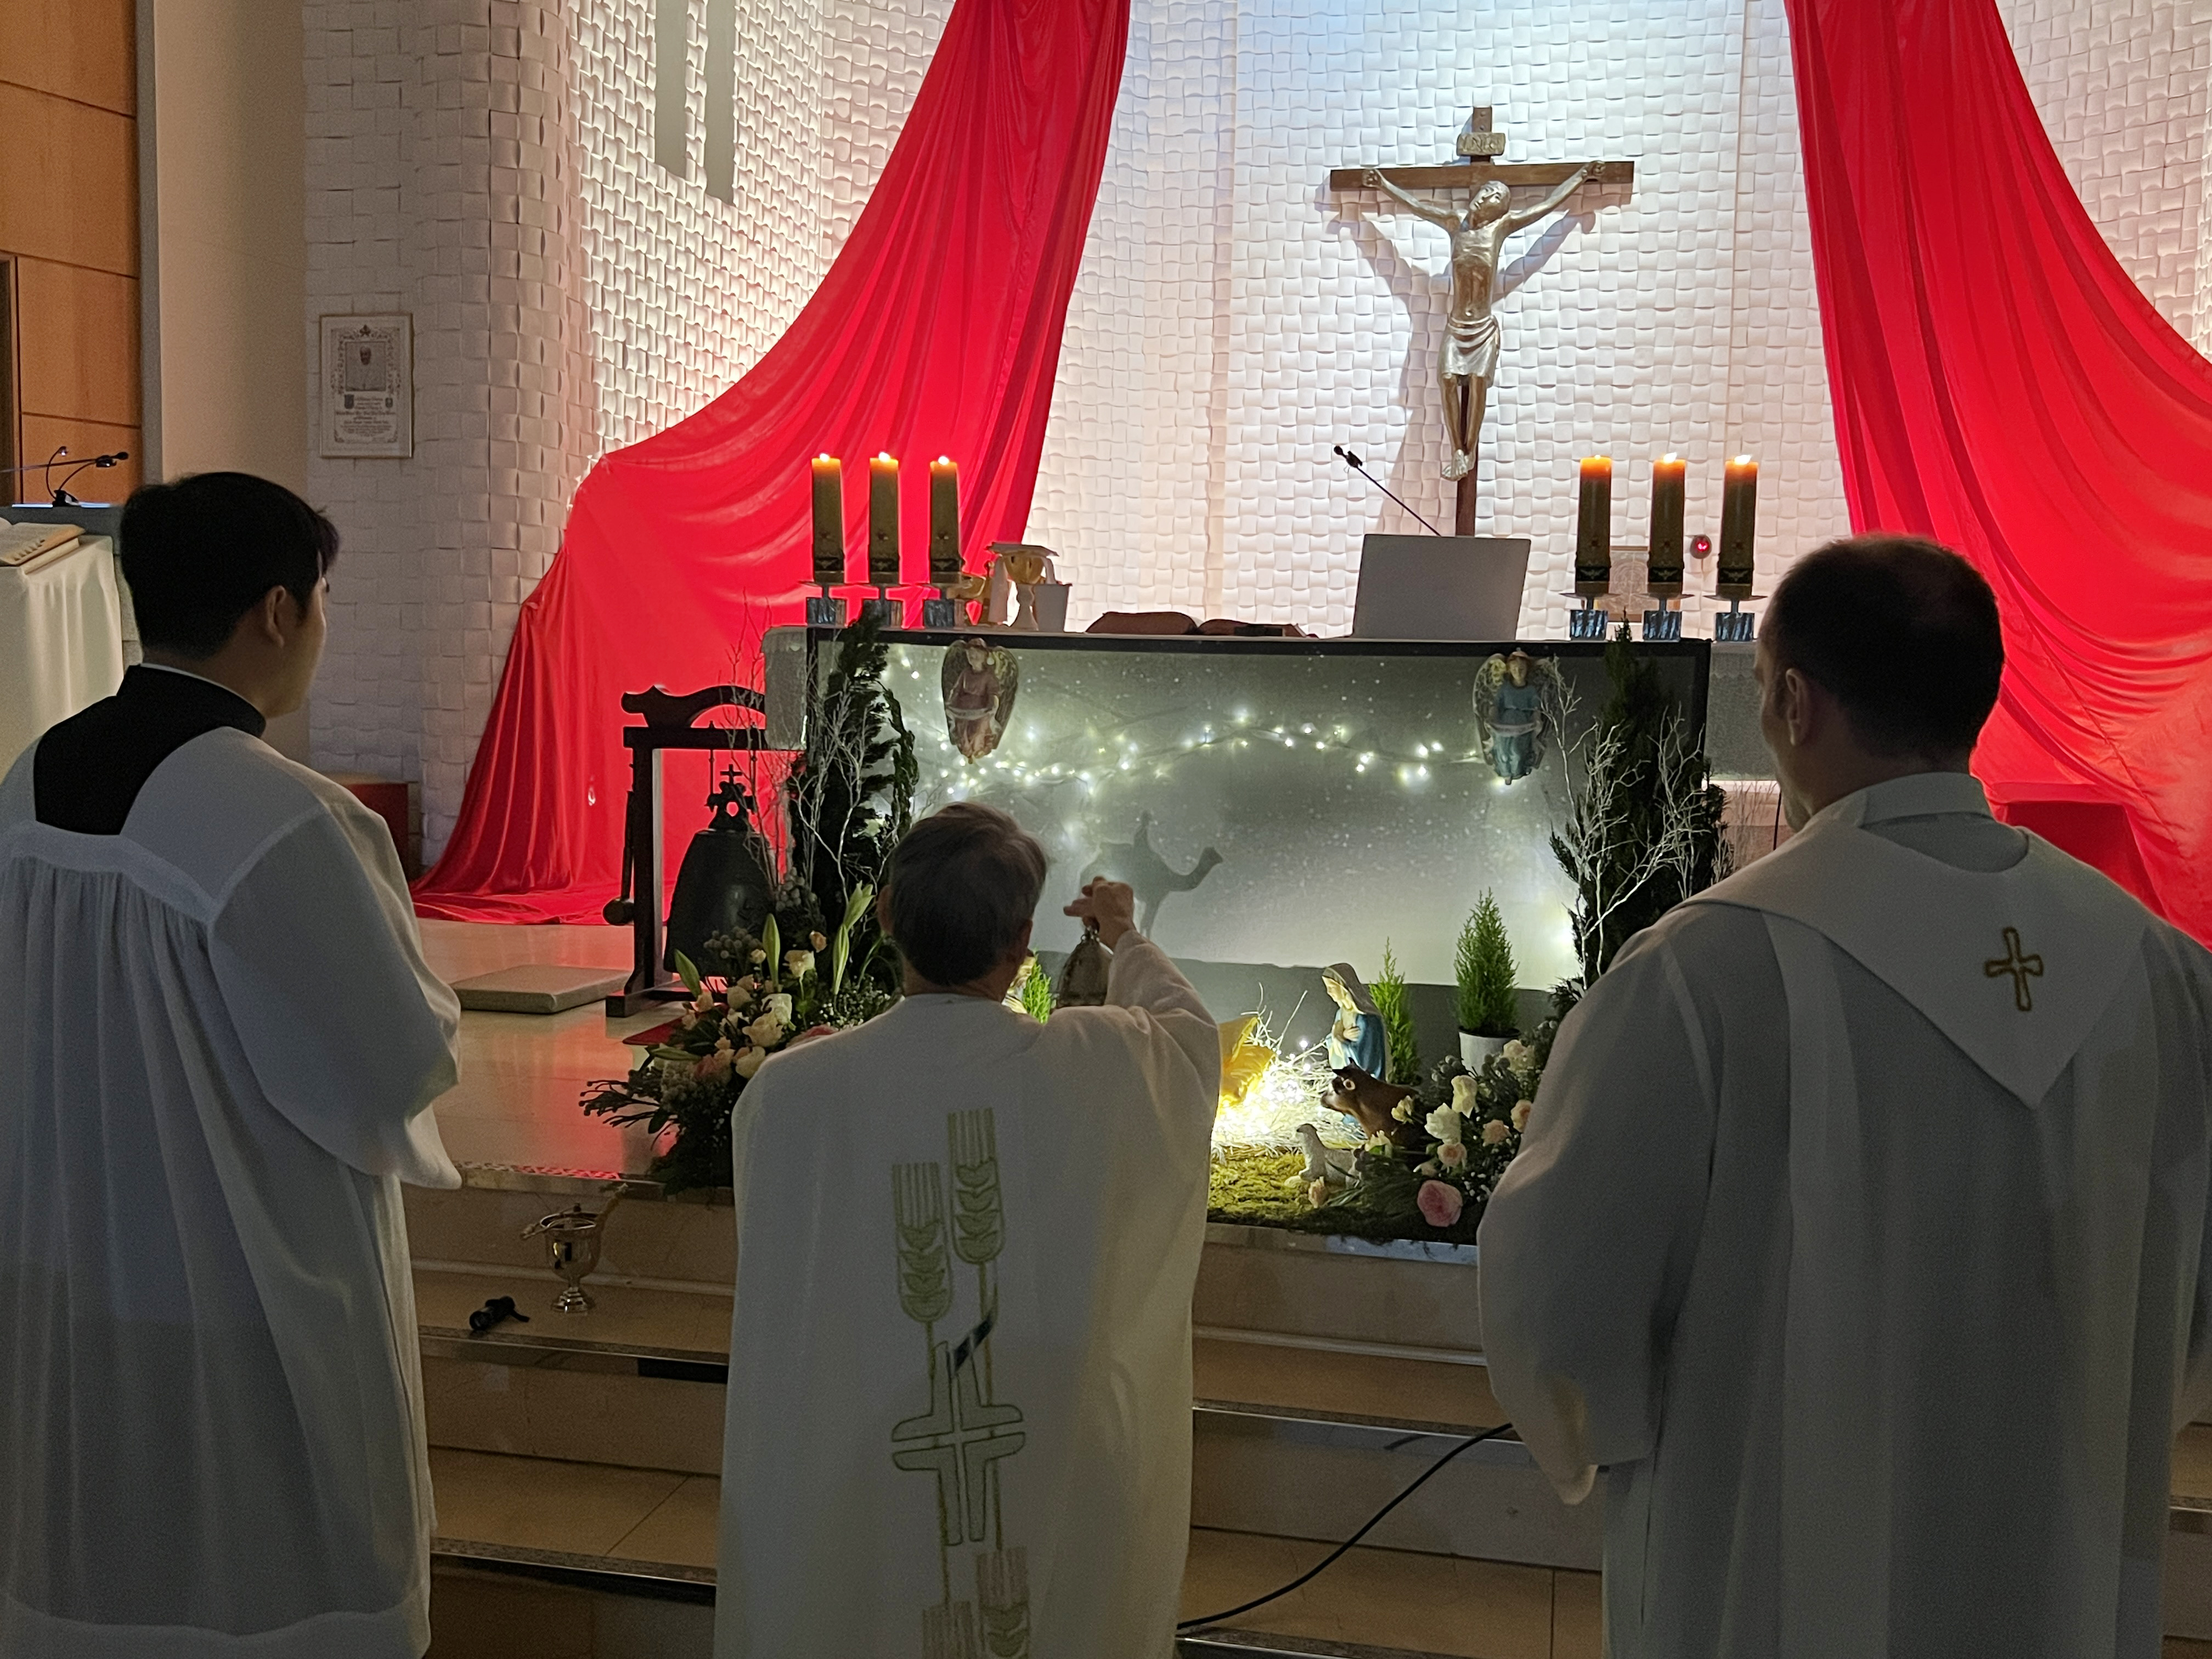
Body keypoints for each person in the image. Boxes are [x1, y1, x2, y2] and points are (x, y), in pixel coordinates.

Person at [1479, 535, 2212, 1658]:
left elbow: (1562, 1296)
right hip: (2059, 1548)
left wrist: (1595, 1421)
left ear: (1792, 701)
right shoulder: (2158, 972)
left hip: (1770, 1554)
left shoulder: (1702, 972)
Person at [0, 473, 461, 1657]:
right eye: (324, 599)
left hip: (76, 1275)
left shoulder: (26, 783)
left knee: (105, 1567)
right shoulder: (283, 817)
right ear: (278, 609)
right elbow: (393, 1065)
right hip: (242, 1281)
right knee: (269, 1577)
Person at [713, 804, 1220, 1658]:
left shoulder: (794, 1092)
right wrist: (1124, 935)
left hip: (860, 1470)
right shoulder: (1091, 1065)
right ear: (1021, 941)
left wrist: (818, 1062)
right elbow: (1187, 1040)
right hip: (1050, 1456)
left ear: (885, 916)